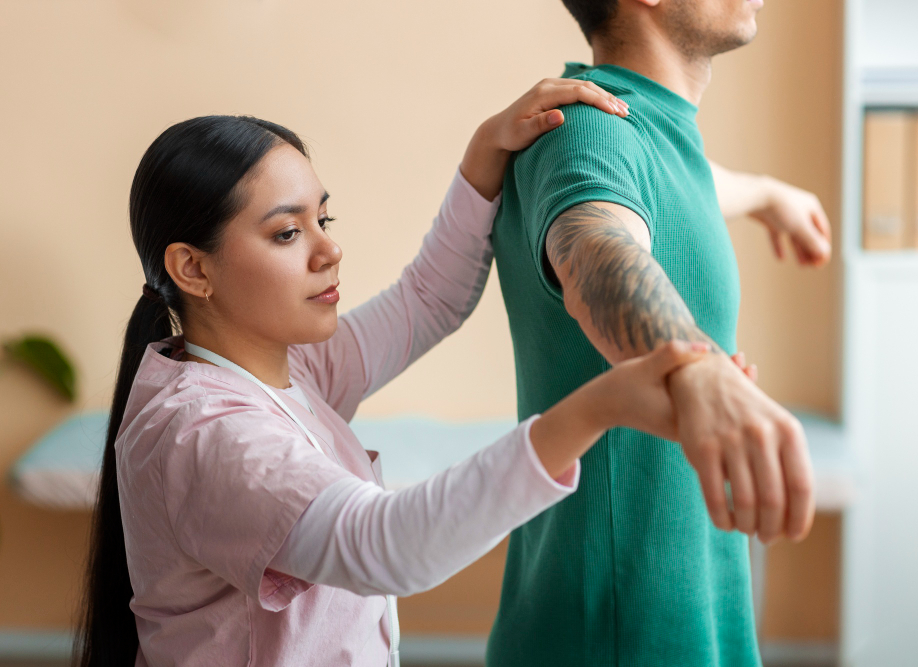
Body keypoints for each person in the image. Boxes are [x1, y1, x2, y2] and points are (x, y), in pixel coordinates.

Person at [74, 82, 720, 667]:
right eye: (287, 233)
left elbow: (426, 301)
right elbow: (387, 545)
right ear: (193, 269)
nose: (330, 249)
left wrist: (485, 152)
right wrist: (598, 406)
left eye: (323, 219)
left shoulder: (285, 369)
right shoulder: (204, 431)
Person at [487, 1, 833, 666]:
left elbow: (687, 182)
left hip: (680, 616)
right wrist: (696, 367)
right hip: (619, 632)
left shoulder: (650, 131)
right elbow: (595, 251)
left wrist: (768, 194)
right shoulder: (586, 127)